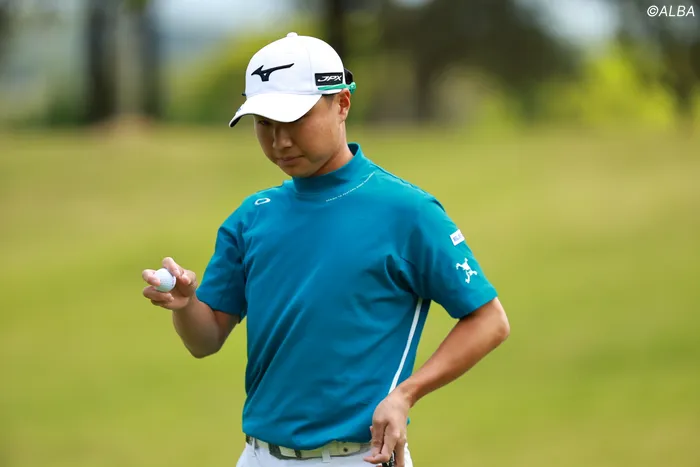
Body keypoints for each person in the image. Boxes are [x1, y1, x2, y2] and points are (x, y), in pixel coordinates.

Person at [141, 32, 510, 467]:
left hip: (362, 457)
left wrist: (405, 395)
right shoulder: (251, 217)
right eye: (264, 123)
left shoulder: (407, 212)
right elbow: (205, 340)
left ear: (342, 104)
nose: (279, 141)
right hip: (257, 456)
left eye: (295, 119)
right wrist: (186, 305)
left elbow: (489, 320)